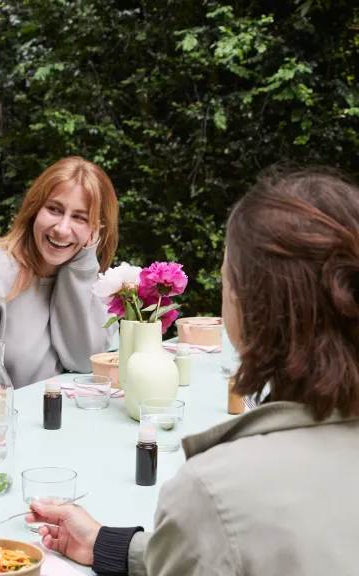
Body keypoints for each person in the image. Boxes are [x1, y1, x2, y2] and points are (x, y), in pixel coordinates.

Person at [25, 169, 359, 575]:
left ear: (249, 308)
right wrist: (111, 546)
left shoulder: (217, 494)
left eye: (225, 280)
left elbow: (226, 537)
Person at [0, 156, 119, 388]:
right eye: (54, 209)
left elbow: (85, 361)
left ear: (97, 229)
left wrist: (82, 268)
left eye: (79, 218)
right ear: (34, 208)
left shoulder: (92, 281)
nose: (62, 229)